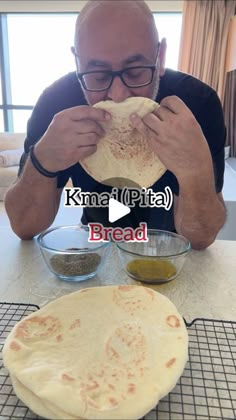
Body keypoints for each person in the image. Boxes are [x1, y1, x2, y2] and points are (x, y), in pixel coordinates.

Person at [5, 0, 226, 250]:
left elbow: (201, 238)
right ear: (78, 62)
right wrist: (42, 161)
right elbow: (24, 227)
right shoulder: (56, 103)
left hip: (173, 256)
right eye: (98, 75)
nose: (118, 95)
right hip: (96, 250)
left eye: (135, 71)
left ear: (160, 56)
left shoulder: (198, 104)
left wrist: (195, 171)